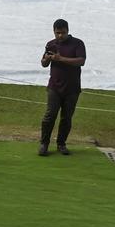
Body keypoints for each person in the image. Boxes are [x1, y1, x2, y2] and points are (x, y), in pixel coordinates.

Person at [38, 19, 87, 156]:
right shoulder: (51, 44)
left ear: (68, 31)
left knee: (66, 118)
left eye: (63, 33)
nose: (60, 35)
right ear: (53, 31)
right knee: (49, 116)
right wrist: (47, 59)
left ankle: (61, 144)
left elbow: (81, 61)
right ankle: (44, 144)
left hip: (72, 88)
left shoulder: (77, 43)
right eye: (57, 33)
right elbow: (43, 64)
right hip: (54, 86)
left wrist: (61, 59)